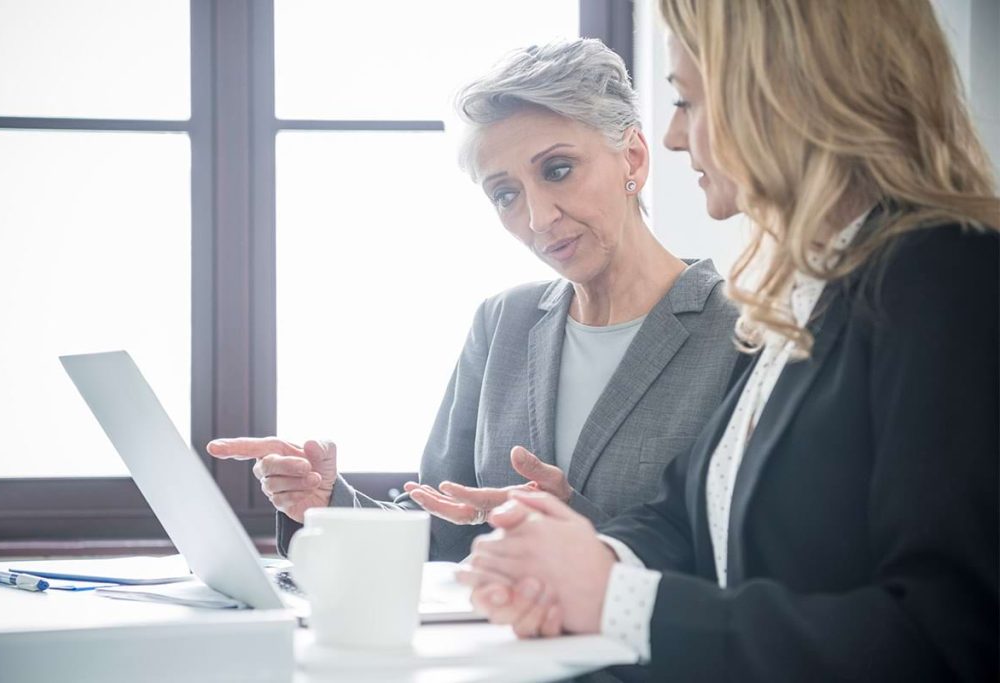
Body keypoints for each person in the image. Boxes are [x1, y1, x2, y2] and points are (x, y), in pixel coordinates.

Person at [461, 1, 1000, 680]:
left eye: (686, 100)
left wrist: (615, 598)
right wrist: (581, 557)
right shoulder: (804, 297)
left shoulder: (950, 277)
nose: (677, 136)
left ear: (783, 94)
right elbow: (685, 517)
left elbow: (950, 638)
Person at [207, 38, 741, 561]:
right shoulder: (503, 323)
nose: (537, 218)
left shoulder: (739, 332)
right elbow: (446, 531)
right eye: (505, 194)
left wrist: (577, 526)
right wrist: (327, 505)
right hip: (492, 646)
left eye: (558, 170)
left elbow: (736, 558)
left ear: (633, 157)